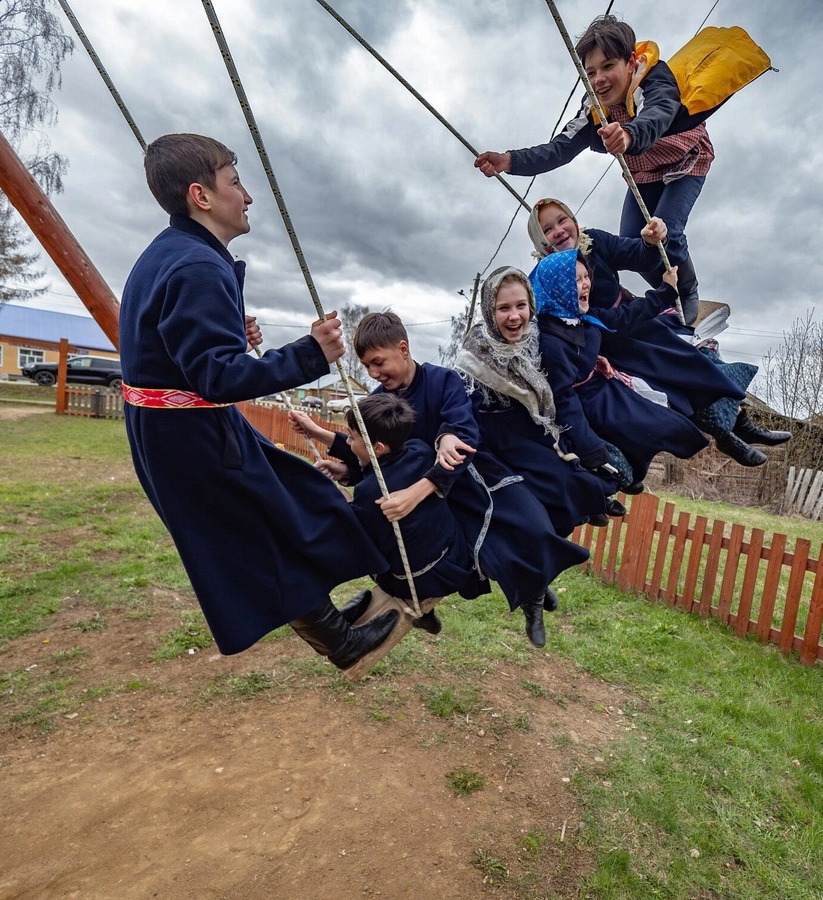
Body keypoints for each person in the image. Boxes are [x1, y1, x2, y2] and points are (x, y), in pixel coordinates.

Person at [118, 132, 396, 669]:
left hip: (175, 432)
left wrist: (222, 332)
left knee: (292, 504)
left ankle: (330, 619)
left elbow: (164, 347)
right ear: (201, 196)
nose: (246, 197)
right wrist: (309, 354)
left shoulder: (169, 254)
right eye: (235, 181)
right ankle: (337, 640)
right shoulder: (197, 266)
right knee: (261, 530)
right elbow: (217, 378)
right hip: (193, 436)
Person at [292, 311, 589, 648]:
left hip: (465, 477)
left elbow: (463, 431)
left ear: (403, 349)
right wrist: (329, 447)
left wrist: (446, 437)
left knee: (529, 526)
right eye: (368, 366)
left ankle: (533, 599)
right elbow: (374, 452)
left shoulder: (443, 381)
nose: (374, 373)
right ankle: (424, 608)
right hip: (428, 498)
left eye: (378, 363)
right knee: (439, 553)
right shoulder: (378, 397)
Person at [475, 14, 713, 322]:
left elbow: (659, 112)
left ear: (630, 62)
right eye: (590, 72)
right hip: (644, 174)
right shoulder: (593, 111)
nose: (598, 78)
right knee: (634, 241)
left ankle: (687, 290)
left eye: (608, 66)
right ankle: (669, 291)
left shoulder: (654, 79)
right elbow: (559, 148)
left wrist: (629, 133)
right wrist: (510, 160)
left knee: (666, 229)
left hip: (686, 162)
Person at [528, 197, 791, 464]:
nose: (558, 230)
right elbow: (550, 322)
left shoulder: (594, 242)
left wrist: (649, 241)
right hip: (607, 343)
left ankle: (739, 421)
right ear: (541, 241)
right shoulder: (543, 277)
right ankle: (724, 435)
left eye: (562, 221)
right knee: (667, 394)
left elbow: (638, 255)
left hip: (639, 321)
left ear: (574, 222)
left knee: (697, 362)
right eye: (548, 229)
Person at [531, 249, 724, 487]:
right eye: (576, 280)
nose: (585, 285)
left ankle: (722, 425)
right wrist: (589, 446)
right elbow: (562, 398)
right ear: (556, 285)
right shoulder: (550, 340)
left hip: (604, 388)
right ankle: (607, 486)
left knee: (665, 411)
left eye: (585, 277)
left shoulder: (584, 317)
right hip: (588, 406)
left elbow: (626, 316)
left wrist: (666, 291)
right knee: (645, 432)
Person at [454, 266, 624, 536]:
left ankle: (592, 504)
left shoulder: (537, 339)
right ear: (489, 311)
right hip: (499, 442)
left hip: (537, 426)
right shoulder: (474, 355)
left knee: (576, 476)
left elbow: (566, 369)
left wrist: (594, 362)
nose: (514, 316)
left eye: (521, 305)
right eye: (503, 308)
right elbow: (460, 407)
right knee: (544, 495)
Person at [329, 394, 488, 636]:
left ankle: (420, 613)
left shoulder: (369, 492)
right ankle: (425, 615)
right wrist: (348, 472)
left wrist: (345, 503)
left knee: (368, 556)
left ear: (378, 448)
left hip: (419, 580)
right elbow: (387, 471)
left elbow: (368, 548)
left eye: (352, 437)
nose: (348, 442)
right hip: (457, 557)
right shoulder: (421, 449)